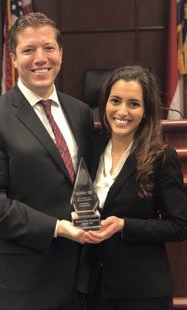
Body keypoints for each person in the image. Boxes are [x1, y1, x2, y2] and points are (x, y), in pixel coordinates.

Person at [0, 12, 93, 310]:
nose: (40, 58)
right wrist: (58, 227)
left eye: (48, 48)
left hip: (80, 276)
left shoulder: (80, 112)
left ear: (61, 52)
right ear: (13, 58)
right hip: (24, 282)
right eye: (28, 50)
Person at [76, 66, 187, 309]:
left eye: (134, 104)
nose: (122, 111)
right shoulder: (92, 150)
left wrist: (125, 225)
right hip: (95, 287)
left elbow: (180, 226)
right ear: (104, 103)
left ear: (146, 110)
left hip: (142, 292)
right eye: (115, 101)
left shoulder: (162, 157)